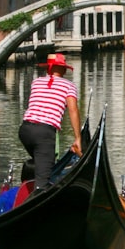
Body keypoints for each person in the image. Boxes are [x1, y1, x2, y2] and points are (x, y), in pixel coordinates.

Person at [18, 53, 82, 190]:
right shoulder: (69, 86)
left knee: (43, 162)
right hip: (44, 134)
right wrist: (77, 138)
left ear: (48, 68)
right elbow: (73, 110)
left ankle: (38, 175)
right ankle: (39, 189)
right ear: (64, 69)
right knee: (42, 185)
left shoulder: (36, 82)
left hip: (25, 130)